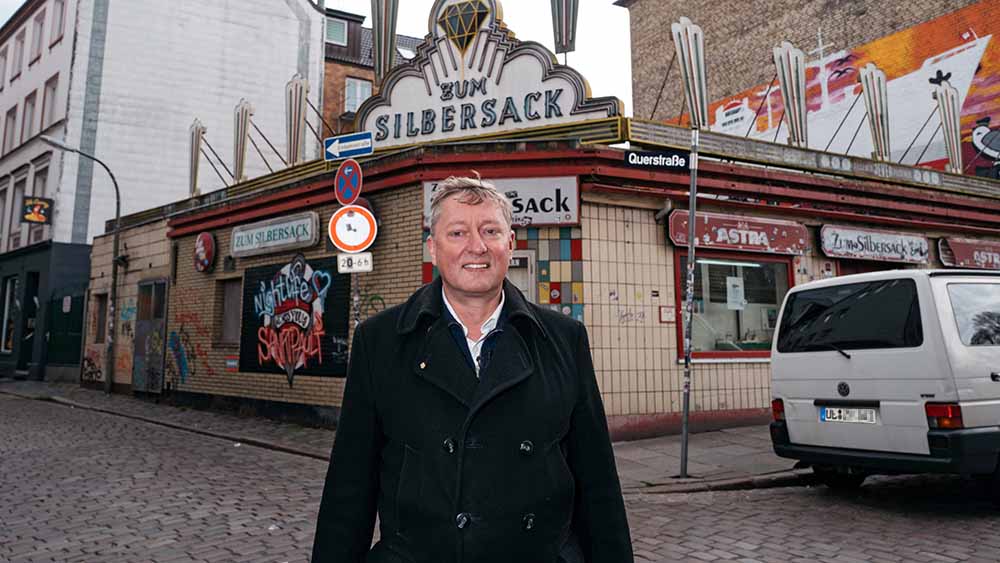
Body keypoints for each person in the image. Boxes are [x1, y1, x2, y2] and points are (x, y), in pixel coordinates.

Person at [312, 174, 633, 563]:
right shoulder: (379, 342)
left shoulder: (564, 339)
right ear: (432, 247)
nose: (476, 246)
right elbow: (350, 488)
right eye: (458, 233)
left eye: (490, 231)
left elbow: (598, 485)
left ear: (510, 243)